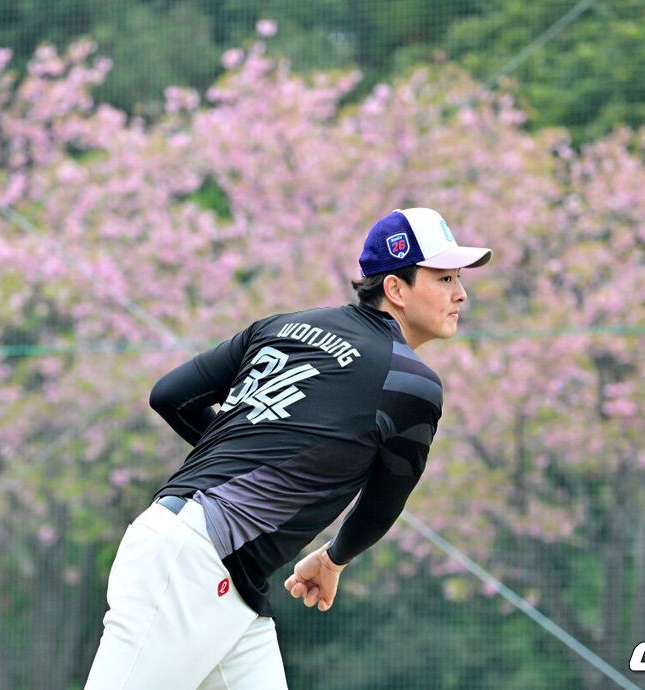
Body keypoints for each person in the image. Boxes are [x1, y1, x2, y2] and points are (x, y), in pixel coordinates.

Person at [84, 207, 492, 690]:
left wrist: (242, 452)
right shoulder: (411, 383)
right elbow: (385, 501)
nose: (460, 293)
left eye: (458, 278)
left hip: (225, 577)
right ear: (396, 289)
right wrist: (333, 558)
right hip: (192, 563)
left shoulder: (281, 326)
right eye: (444, 277)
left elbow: (170, 396)